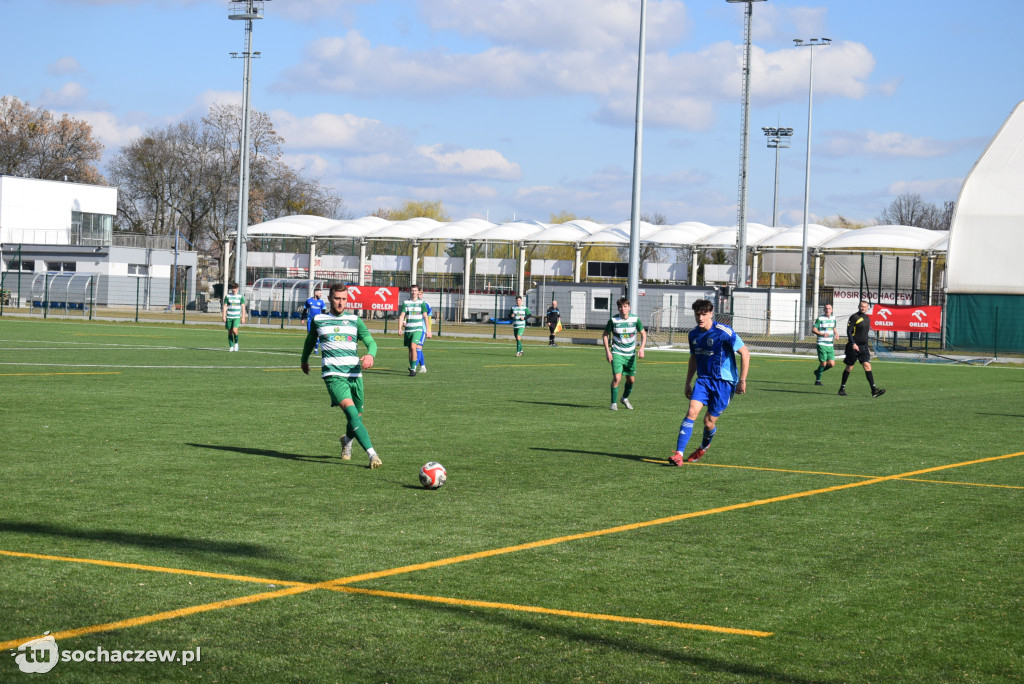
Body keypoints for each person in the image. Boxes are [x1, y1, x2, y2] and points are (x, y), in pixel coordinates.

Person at [301, 283, 382, 468]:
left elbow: (371, 341)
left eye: (344, 299)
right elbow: (309, 341)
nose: (340, 303)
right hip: (333, 375)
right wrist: (304, 360)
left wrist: (370, 354)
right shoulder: (319, 320)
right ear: (329, 298)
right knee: (352, 413)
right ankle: (372, 455)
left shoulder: (354, 320)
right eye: (337, 298)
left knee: (356, 418)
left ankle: (346, 440)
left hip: (355, 375)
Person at [670, 299, 750, 465]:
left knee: (708, 422)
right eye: (697, 314)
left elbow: (745, 353)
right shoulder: (693, 334)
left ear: (711, 313)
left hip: (724, 383)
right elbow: (693, 359)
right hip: (704, 381)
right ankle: (678, 454)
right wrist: (687, 382)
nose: (700, 317)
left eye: (704, 314)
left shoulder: (724, 332)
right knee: (692, 412)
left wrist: (742, 380)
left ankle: (704, 447)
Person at [603, 297, 646, 410]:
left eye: (625, 306)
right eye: (620, 307)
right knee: (617, 378)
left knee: (631, 380)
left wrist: (642, 348)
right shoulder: (613, 320)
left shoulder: (635, 320)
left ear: (629, 307)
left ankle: (624, 398)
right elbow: (605, 334)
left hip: (630, 355)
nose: (623, 309)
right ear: (618, 308)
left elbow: (643, 333)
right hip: (617, 352)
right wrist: (608, 351)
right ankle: (613, 404)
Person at [838, 300, 886, 398]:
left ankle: (874, 391)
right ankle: (842, 388)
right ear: (858, 306)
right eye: (861, 306)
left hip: (863, 347)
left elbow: (865, 334)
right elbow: (849, 331)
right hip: (853, 347)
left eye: (864, 306)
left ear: (867, 307)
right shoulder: (854, 317)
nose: (862, 308)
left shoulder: (867, 318)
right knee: (849, 367)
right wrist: (853, 343)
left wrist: (867, 346)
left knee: (867, 366)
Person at [398, 284, 431, 377]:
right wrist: (399, 328)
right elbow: (402, 316)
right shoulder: (406, 303)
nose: (413, 292)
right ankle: (412, 366)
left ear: (418, 292)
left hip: (418, 329)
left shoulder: (422, 303)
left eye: (415, 290)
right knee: (410, 350)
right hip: (408, 329)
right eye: (412, 290)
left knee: (413, 347)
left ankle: (413, 369)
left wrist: (428, 330)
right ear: (410, 291)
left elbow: (425, 317)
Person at [812, 303, 837, 385]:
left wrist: (836, 333)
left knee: (832, 364)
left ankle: (818, 371)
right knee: (823, 363)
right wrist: (822, 334)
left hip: (830, 344)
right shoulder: (820, 318)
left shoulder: (833, 318)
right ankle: (818, 381)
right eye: (826, 308)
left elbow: (834, 327)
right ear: (823, 310)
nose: (827, 310)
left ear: (832, 310)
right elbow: (814, 330)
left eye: (829, 308)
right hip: (821, 343)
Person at [221, 282, 246, 352]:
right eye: (233, 288)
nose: (234, 290)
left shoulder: (240, 297)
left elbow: (243, 308)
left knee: (235, 331)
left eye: (235, 288)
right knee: (230, 332)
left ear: (237, 289)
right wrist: (224, 316)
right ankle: (231, 346)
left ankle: (236, 344)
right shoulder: (228, 296)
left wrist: (243, 317)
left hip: (237, 317)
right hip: (229, 316)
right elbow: (225, 306)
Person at [303, 287, 329, 354]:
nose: (320, 294)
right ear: (315, 293)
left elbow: (323, 311)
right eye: (319, 293)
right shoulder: (308, 300)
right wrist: (302, 318)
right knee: (310, 335)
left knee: (317, 335)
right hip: (309, 320)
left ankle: (316, 349)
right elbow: (304, 310)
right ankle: (309, 349)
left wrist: (323, 319)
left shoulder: (321, 302)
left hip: (318, 321)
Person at [415, 300, 432, 372]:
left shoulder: (426, 305)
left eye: (420, 294)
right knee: (416, 348)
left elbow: (428, 319)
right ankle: (423, 367)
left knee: (418, 348)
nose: (418, 295)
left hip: (422, 330)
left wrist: (429, 330)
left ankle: (413, 367)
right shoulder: (410, 303)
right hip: (413, 329)